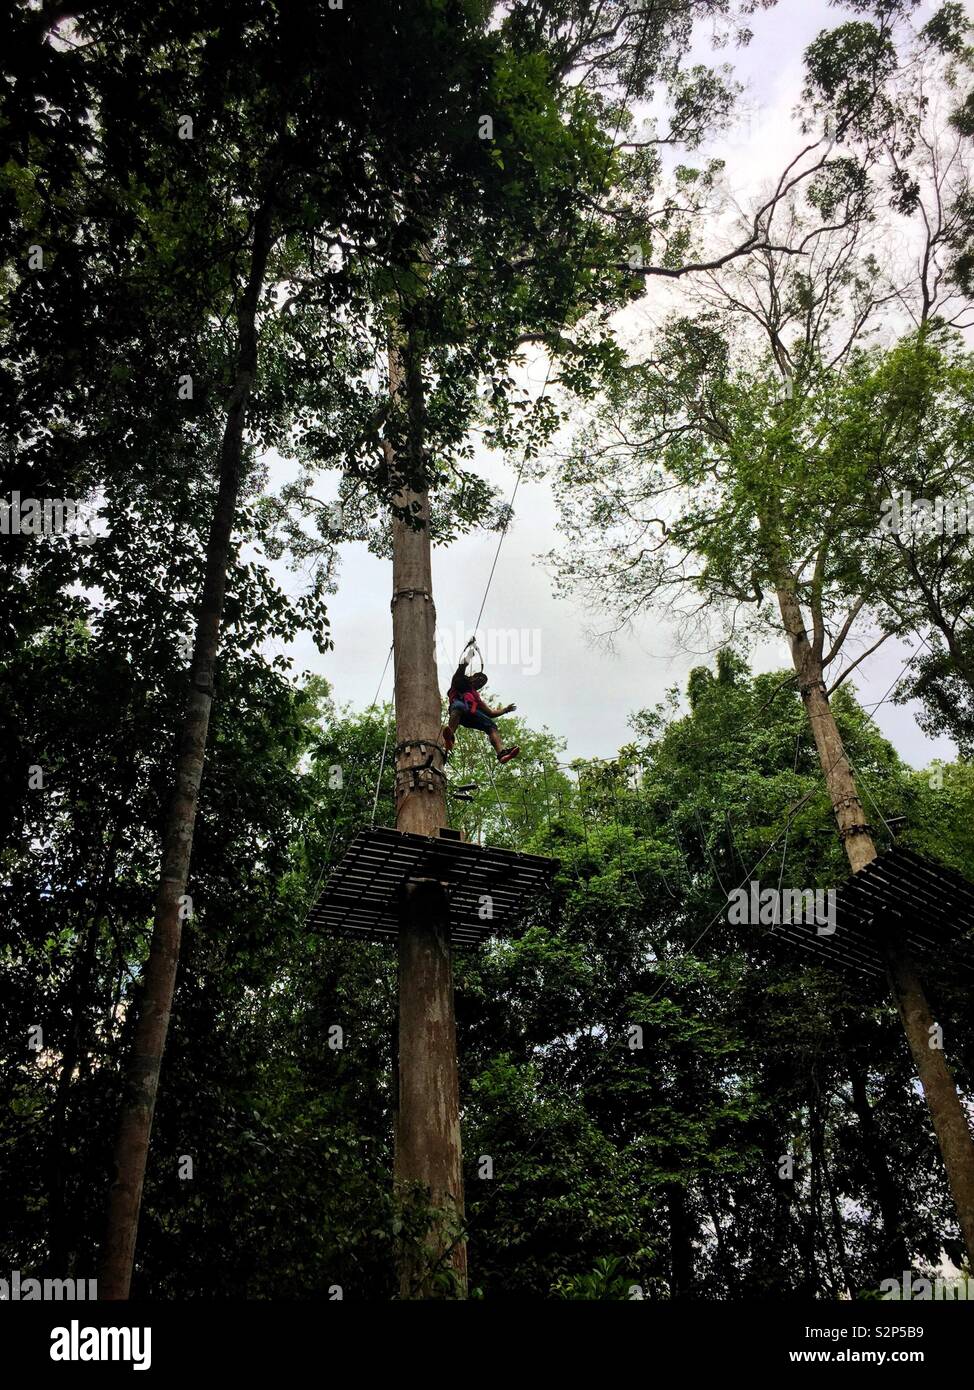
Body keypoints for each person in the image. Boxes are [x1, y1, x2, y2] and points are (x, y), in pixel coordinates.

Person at [442, 653, 520, 763]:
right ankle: (450, 738)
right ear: (472, 677)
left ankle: (501, 754)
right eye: (479, 679)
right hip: (459, 710)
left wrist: (505, 710)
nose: (480, 682)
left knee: (491, 725)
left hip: (471, 714)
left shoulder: (475, 697)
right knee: (459, 706)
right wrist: (469, 656)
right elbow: (461, 667)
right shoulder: (459, 682)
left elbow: (490, 712)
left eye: (482, 682)